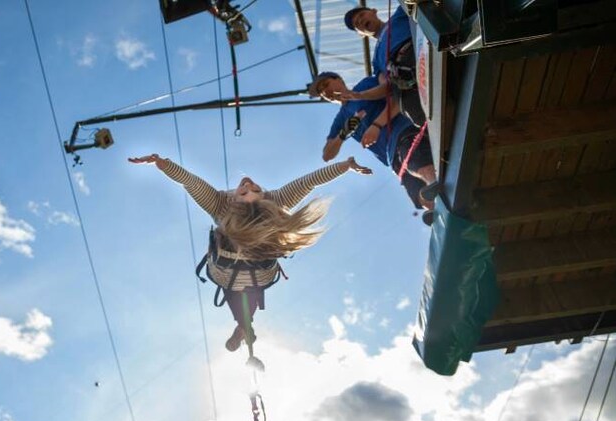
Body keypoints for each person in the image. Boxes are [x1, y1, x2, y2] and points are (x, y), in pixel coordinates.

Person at [128, 153, 371, 352]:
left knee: (237, 290)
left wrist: (163, 164)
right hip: (249, 272)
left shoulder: (220, 204)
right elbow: (308, 182)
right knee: (246, 292)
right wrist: (345, 166)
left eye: (246, 191)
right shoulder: (275, 200)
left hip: (237, 270)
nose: (247, 185)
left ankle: (244, 324)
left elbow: (191, 182)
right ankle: (245, 325)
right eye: (252, 189)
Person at [308, 71, 437, 223]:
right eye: (321, 92)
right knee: (418, 194)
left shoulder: (365, 85)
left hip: (404, 131)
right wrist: (343, 133)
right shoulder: (341, 118)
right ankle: (440, 211)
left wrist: (376, 124)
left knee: (418, 164)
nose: (325, 92)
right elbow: (327, 155)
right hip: (393, 158)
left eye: (326, 84)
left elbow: (395, 93)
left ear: (339, 79)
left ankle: (438, 188)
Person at [343, 5, 425, 127]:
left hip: (418, 51)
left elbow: (413, 4)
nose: (360, 21)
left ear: (374, 11)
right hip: (404, 80)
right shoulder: (376, 61)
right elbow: (386, 87)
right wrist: (360, 95)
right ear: (361, 34)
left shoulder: (398, 15)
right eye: (356, 24)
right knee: (415, 113)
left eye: (361, 15)